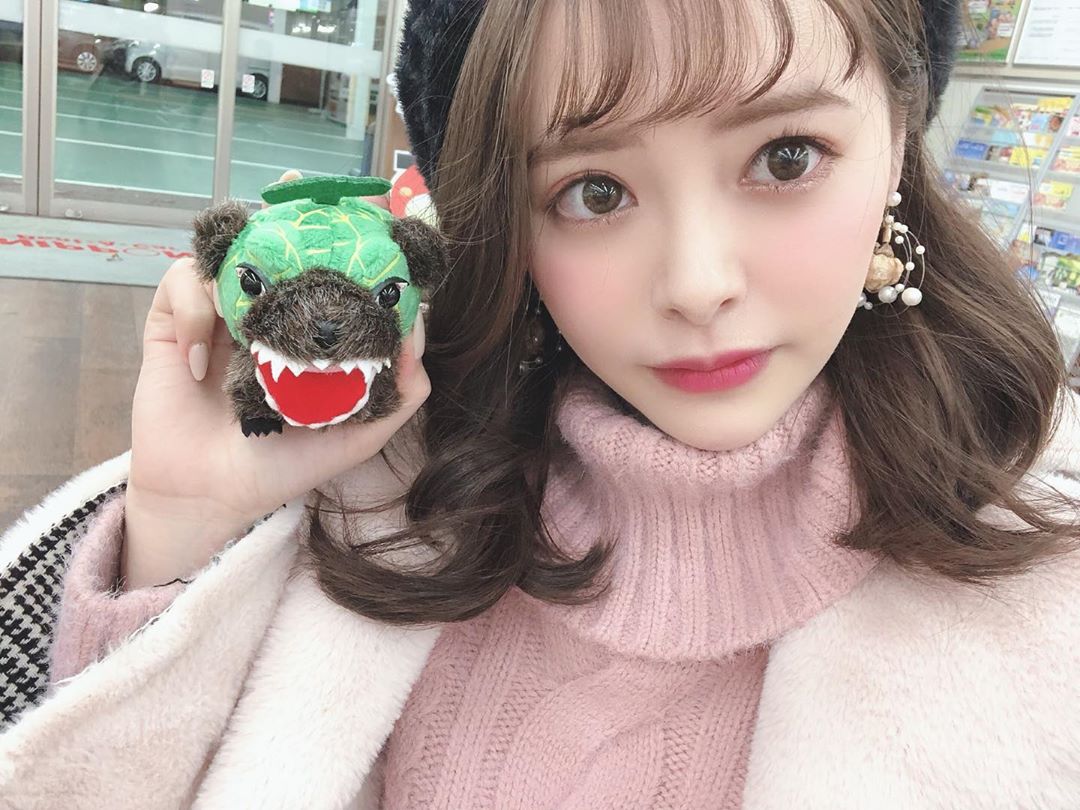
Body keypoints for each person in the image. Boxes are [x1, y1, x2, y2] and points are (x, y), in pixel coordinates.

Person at [3, 0, 1080, 806]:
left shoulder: (1046, 591)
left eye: (784, 157)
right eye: (594, 191)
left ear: (898, 144)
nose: (697, 283)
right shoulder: (389, 498)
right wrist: (186, 525)